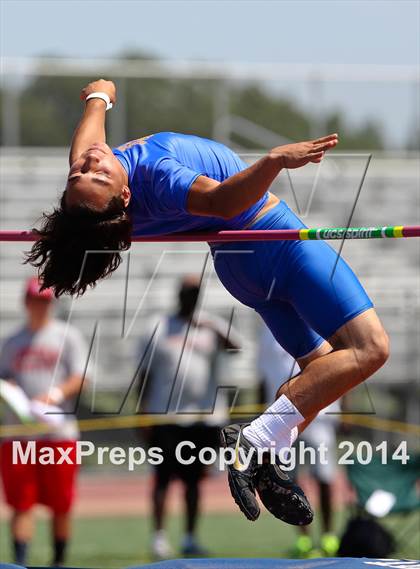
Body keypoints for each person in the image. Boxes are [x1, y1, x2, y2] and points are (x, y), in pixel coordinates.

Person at [26, 79, 389, 525]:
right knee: (371, 348)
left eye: (81, 172)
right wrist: (274, 160)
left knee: (319, 374)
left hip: (239, 267)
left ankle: (268, 463)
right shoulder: (157, 175)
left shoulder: (92, 183)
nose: (90, 163)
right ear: (124, 196)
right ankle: (256, 442)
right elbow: (221, 201)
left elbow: (91, 135)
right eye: (96, 174)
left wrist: (99, 97)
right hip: (273, 243)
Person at [138, 275, 240, 559]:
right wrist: (142, 412)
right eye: (187, 293)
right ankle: (158, 537)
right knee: (162, 478)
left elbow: (236, 346)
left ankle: (189, 538)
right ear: (178, 294)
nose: (190, 298)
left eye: (195, 293)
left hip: (202, 417)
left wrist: (209, 326)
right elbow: (145, 373)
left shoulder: (208, 324)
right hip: (166, 415)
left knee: (194, 481)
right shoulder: (159, 326)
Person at [0, 277, 88, 566]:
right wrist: (12, 392)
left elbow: (80, 377)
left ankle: (59, 561)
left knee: (61, 502)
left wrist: (53, 395)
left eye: (45, 301)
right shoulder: (12, 341)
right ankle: (21, 562)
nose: (40, 306)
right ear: (26, 303)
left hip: (57, 432)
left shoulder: (67, 336)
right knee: (21, 502)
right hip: (19, 434)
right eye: (35, 300)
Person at [257, 324, 340, 557]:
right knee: (289, 480)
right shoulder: (268, 330)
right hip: (281, 417)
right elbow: (262, 375)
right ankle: (304, 540)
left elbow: (342, 367)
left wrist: (344, 408)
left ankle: (328, 536)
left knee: (324, 477)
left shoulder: (319, 322)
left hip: (321, 414)